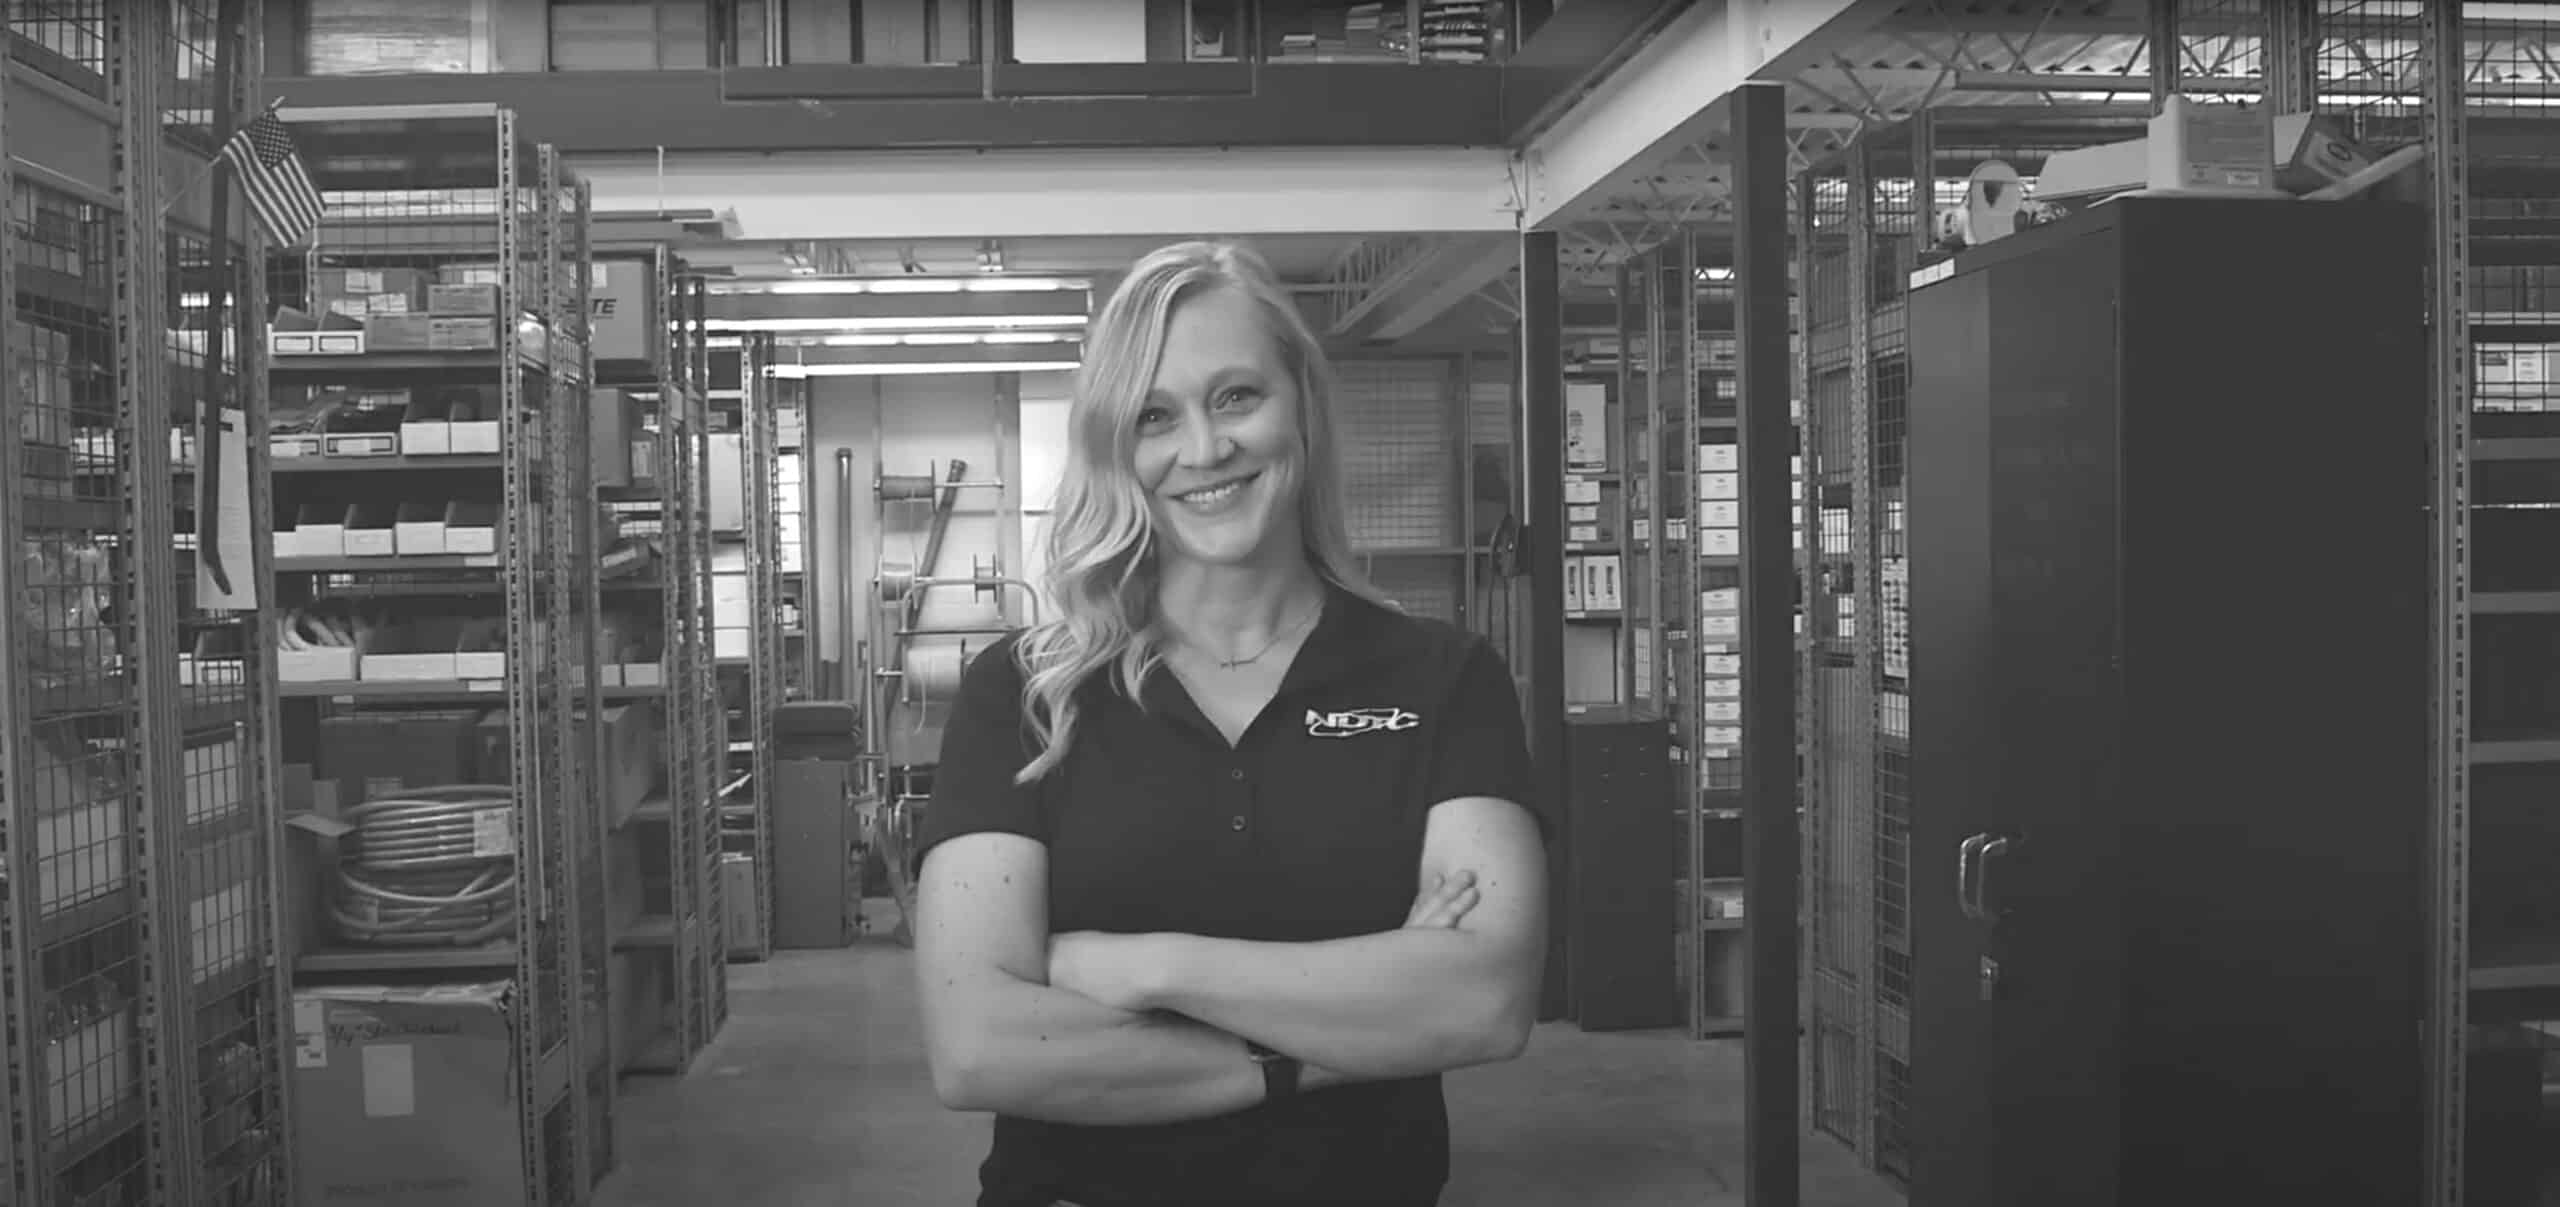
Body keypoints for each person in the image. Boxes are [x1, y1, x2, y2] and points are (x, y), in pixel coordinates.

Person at [912, 239, 1552, 1207]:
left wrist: (1141, 967)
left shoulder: (1442, 678)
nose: (1204, 450)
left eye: (1236, 396)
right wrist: (1339, 1035)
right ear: (1115, 448)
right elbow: (978, 1049)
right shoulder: (1027, 695)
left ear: (1300, 401)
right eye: (1154, 416)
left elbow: (1485, 1002)